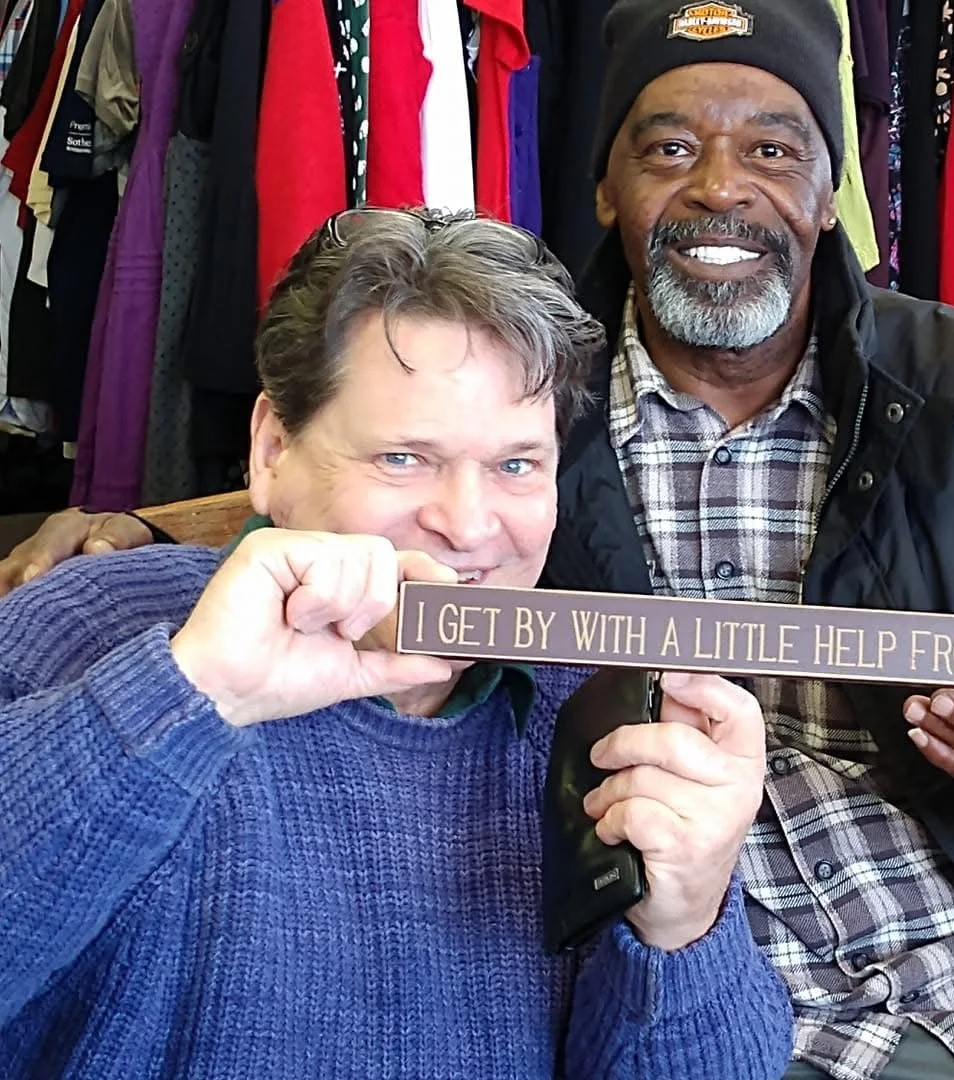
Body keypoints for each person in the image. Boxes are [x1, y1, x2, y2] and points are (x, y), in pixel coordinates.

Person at [0, 4, 954, 1080]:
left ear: (830, 196)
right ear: (604, 188)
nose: (718, 189)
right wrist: (145, 543)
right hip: (756, 993)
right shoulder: (531, 387)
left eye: (769, 150)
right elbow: (363, 491)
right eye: (665, 147)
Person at [0, 209, 796, 1078]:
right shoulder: (80, 624)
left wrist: (684, 927)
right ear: (273, 451)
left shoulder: (600, 707)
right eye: (405, 458)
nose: (468, 524)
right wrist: (188, 695)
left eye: (516, 465)